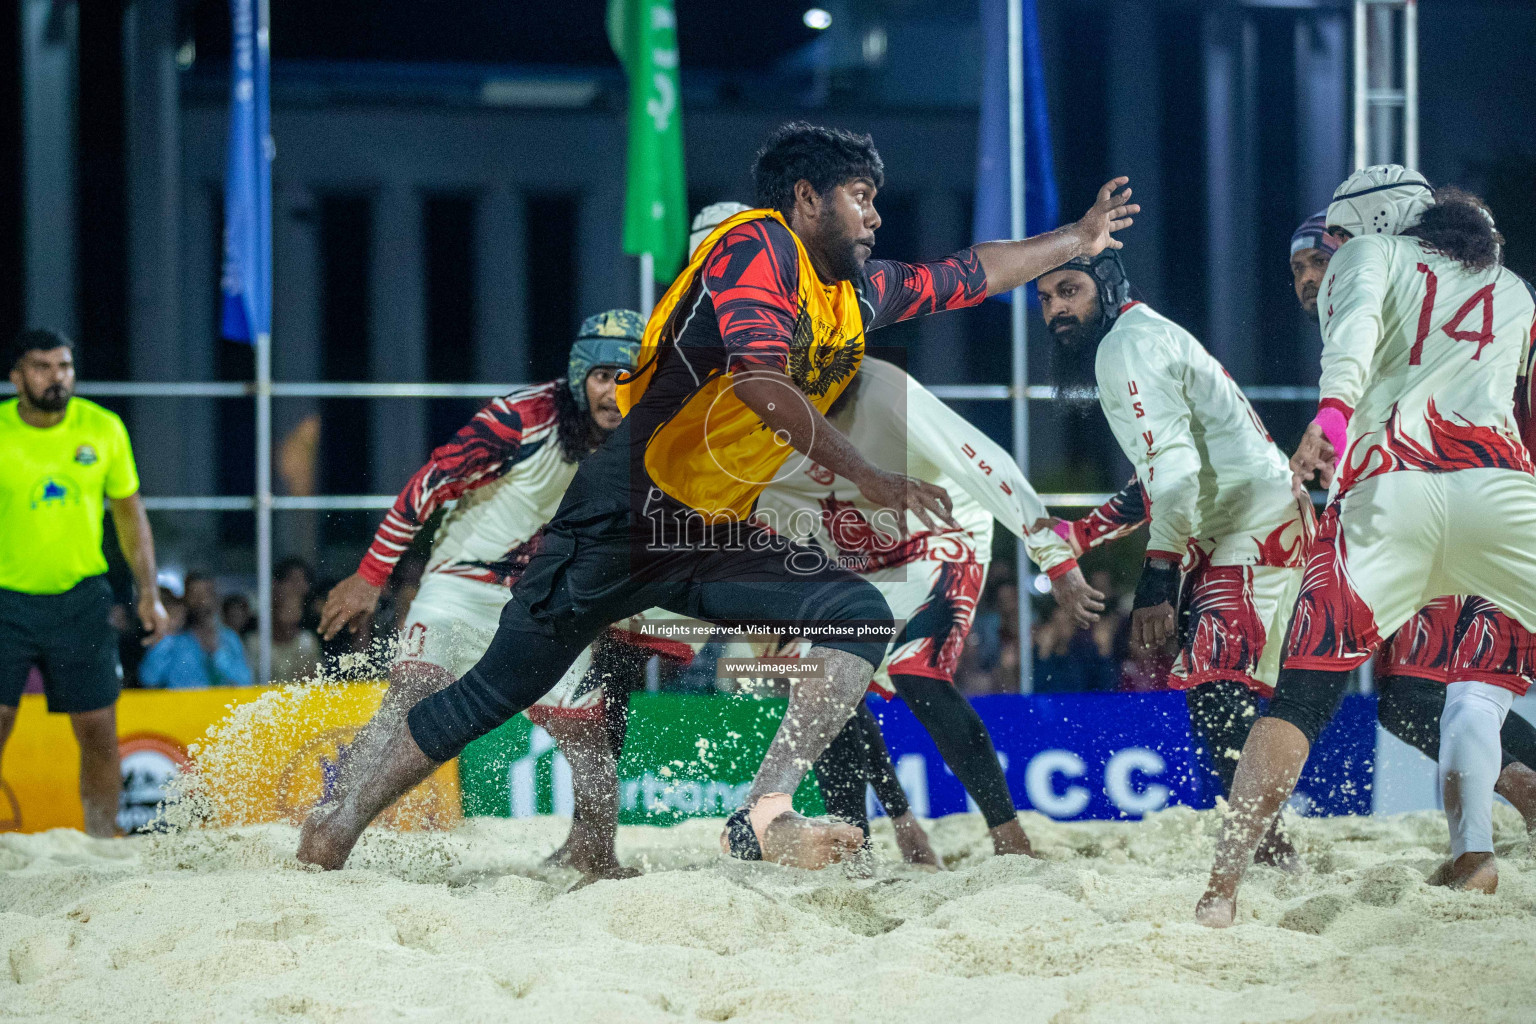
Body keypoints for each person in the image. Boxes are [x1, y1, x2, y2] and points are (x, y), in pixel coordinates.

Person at [297, 121, 1137, 872]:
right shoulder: (753, 245)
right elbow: (763, 383)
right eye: (859, 197)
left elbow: (971, 271)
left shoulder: (851, 294)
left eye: (877, 199)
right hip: (622, 516)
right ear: (807, 199)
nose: (875, 217)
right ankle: (333, 832)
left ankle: (763, 814)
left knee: (856, 615)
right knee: (492, 695)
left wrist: (1077, 237)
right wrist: (872, 478)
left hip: (709, 535)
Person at [1199, 167, 1536, 925]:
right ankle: (1478, 845)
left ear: (1374, 222)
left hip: (1393, 496)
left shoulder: (1371, 255)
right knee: (1446, 700)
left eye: (1338, 237)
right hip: (1505, 496)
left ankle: (1220, 894)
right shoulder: (1512, 287)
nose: (1333, 251)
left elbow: (1348, 349)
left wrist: (1331, 421)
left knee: (1305, 693)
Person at [316, 309, 686, 882]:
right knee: (407, 702)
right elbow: (431, 483)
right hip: (463, 583)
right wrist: (371, 575)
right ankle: (334, 822)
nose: (616, 391)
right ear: (578, 377)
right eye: (603, 376)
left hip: (547, 601)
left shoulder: (656, 441)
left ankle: (594, 852)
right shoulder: (521, 418)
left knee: (585, 735)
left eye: (630, 375)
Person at [751, 356, 1103, 862]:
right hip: (853, 555)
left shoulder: (886, 393)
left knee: (916, 671)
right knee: (822, 684)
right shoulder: (756, 413)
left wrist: (1053, 554)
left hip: (937, 530)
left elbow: (985, 459)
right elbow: (752, 517)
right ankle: (858, 848)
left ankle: (1011, 840)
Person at [1036, 248, 1312, 867]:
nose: (1056, 309)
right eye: (1046, 298)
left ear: (1107, 287)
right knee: (1222, 694)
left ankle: (1269, 854)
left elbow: (1178, 473)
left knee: (1218, 692)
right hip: (1248, 524)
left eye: (1069, 290)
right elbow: (1164, 475)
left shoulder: (1124, 347)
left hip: (1249, 530)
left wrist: (1157, 576)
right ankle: (1271, 847)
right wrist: (1086, 532)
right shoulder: (1143, 334)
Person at [1288, 211, 1536, 827]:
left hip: (1438, 500)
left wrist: (1334, 421)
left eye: (1322, 259)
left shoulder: (1388, 301)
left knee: (1421, 696)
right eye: (1298, 268)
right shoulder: (1458, 300)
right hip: (1455, 500)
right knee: (1420, 700)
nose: (1310, 277)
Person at [0, 328, 169, 836]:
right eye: (42, 367)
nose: (57, 378)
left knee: (98, 729)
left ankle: (102, 841)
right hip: (6, 602)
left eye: (65, 366)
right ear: (16, 376)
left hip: (81, 600)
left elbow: (129, 516)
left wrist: (149, 594)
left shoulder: (103, 428)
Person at [139, 573, 254, 689]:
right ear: (185, 599)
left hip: (220, 705)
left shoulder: (228, 637)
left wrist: (217, 653)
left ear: (215, 598)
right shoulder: (173, 639)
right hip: (180, 706)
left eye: (207, 594)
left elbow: (245, 681)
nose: (201, 600)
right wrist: (166, 634)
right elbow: (148, 678)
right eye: (195, 594)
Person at [247, 588, 320, 683]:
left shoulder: (307, 642)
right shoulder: (254, 643)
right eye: (288, 611)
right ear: (273, 613)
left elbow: (314, 681)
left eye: (297, 610)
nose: (295, 617)